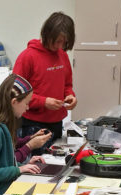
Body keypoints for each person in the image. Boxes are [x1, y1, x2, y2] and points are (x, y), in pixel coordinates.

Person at [13, 11, 77, 150]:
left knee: (54, 165)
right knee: (35, 166)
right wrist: (43, 102)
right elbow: (15, 93)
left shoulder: (63, 56)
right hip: (32, 124)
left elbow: (67, 84)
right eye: (57, 41)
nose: (60, 46)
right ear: (47, 34)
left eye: (64, 42)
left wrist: (70, 95)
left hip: (57, 122)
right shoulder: (27, 57)